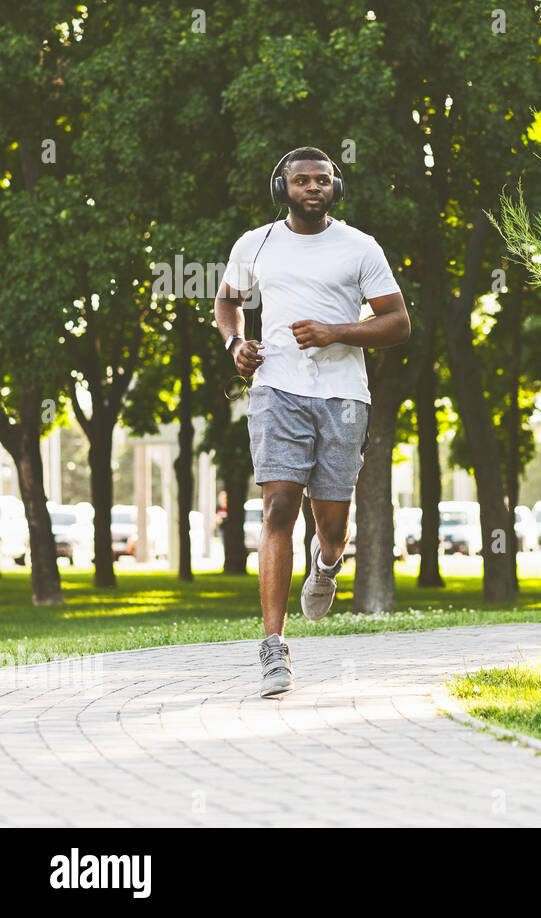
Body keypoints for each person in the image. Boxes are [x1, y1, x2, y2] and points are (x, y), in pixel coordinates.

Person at [213, 146, 409, 697]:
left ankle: (326, 565)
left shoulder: (359, 247)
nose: (312, 188)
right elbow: (226, 303)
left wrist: (335, 331)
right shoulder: (256, 244)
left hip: (344, 396)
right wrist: (236, 345)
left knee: (330, 521)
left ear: (335, 187)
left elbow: (398, 323)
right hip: (276, 389)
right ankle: (274, 648)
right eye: (301, 181)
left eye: (322, 180)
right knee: (278, 508)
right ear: (283, 189)